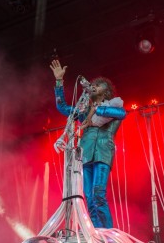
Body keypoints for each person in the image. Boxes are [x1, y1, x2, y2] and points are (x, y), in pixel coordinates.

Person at [50, 60, 126, 228]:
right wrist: (58, 82)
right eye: (93, 85)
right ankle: (97, 233)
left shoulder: (113, 107)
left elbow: (120, 114)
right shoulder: (84, 112)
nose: (93, 87)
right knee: (89, 197)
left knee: (99, 193)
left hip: (103, 153)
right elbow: (62, 107)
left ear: (106, 92)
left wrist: (94, 107)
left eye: (98, 86)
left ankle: (109, 235)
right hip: (86, 155)